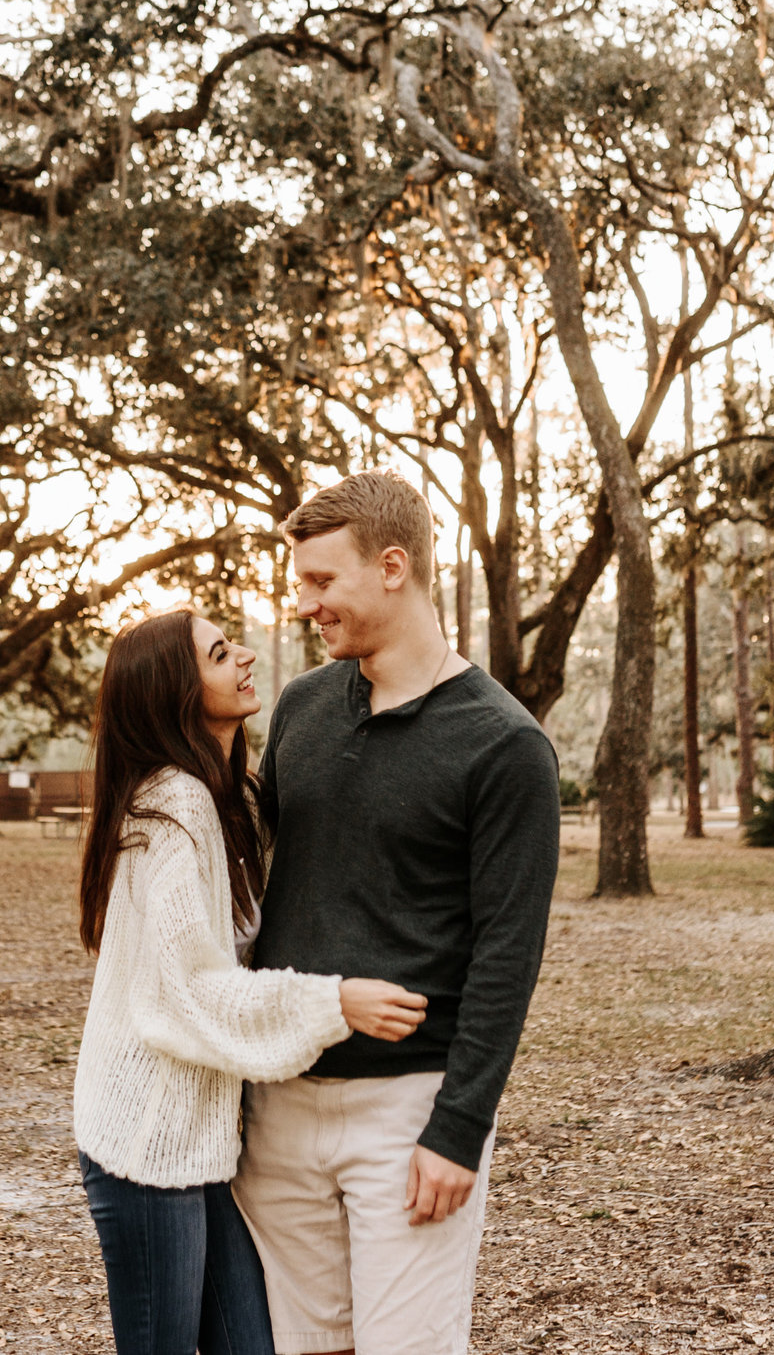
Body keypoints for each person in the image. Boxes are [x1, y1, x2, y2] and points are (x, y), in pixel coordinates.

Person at [235, 472, 560, 1355]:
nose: (305, 605)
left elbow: (507, 953)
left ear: (392, 567)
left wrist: (458, 1129)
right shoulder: (302, 709)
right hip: (280, 1097)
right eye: (301, 584)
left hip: (409, 1110)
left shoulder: (505, 746)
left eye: (321, 582)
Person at [73, 607, 431, 1355]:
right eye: (218, 652)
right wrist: (333, 1001)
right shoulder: (173, 807)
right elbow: (191, 992)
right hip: (145, 1143)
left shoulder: (227, 798)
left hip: (200, 1142)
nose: (243, 657)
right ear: (178, 691)